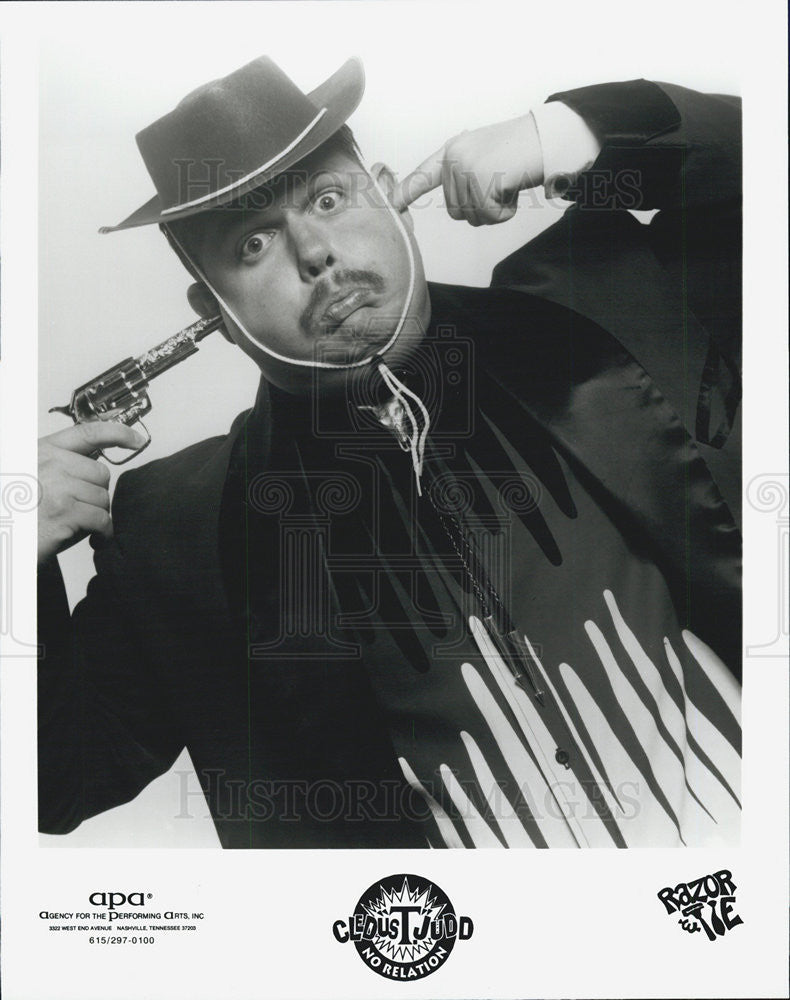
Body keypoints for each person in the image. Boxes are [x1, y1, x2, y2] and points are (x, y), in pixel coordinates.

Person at [38, 55, 742, 849]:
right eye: (253, 244)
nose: (315, 253)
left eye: (330, 199)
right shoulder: (180, 533)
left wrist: (570, 132)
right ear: (213, 310)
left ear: (392, 195)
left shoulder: (607, 306)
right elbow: (54, 779)